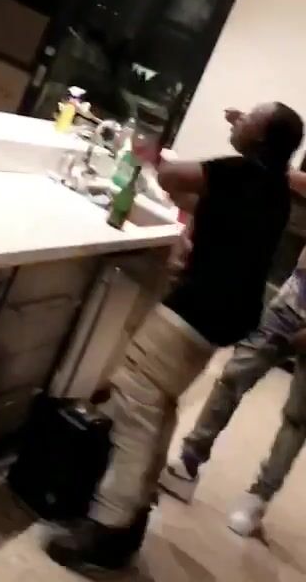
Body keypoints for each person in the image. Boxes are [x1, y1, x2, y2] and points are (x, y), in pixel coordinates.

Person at [47, 102, 304, 575]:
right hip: (223, 315)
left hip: (197, 308)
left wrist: (158, 154)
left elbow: (169, 175)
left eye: (250, 119)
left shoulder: (241, 172)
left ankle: (107, 528)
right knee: (157, 405)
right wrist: (239, 138)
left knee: (133, 403)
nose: (238, 120)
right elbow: (205, 201)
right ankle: (134, 515)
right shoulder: (273, 190)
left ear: (261, 139)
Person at [162, 164, 306, 539]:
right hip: (292, 301)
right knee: (232, 377)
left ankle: (258, 498)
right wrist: (270, 164)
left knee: (298, 417)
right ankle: (188, 462)